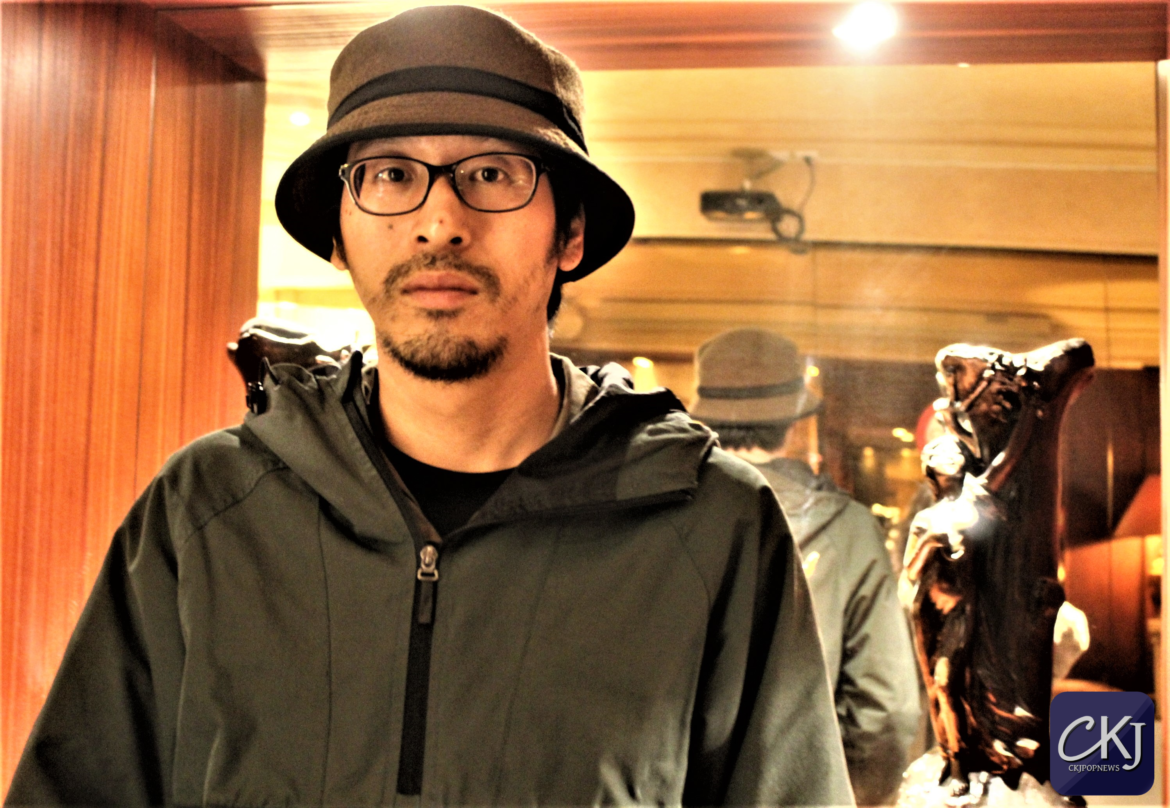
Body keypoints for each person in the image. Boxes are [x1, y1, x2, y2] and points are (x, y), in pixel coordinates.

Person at [7, 8, 854, 807]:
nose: (440, 222)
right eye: (391, 176)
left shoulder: (714, 527)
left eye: (492, 174)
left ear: (570, 234)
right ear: (337, 235)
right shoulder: (207, 510)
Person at [691, 328, 920, 806]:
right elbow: (886, 710)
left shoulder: (661, 517)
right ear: (794, 424)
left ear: (704, 415)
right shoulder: (847, 531)